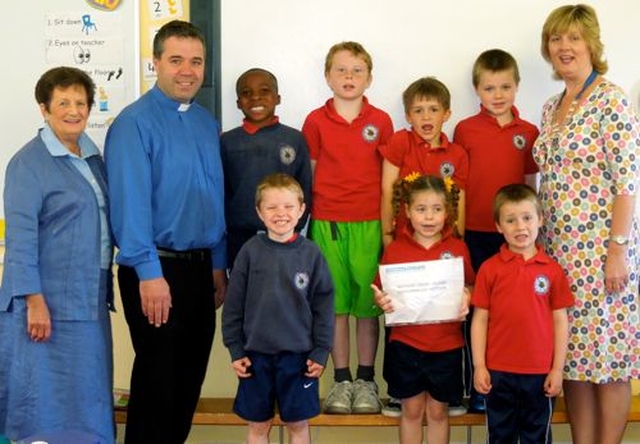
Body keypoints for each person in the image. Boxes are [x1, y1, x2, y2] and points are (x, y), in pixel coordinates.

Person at [104, 20, 226, 443]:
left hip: (200, 271)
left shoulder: (207, 124)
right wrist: (149, 273)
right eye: (176, 60)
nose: (187, 70)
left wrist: (219, 264)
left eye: (196, 61)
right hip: (154, 272)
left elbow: (214, 198)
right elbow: (130, 206)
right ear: (155, 63)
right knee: (157, 389)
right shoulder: (132, 124)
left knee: (186, 387)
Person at [534, 4, 640, 443]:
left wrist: (617, 250)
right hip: (559, 253)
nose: (564, 47)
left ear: (592, 44)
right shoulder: (549, 107)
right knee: (573, 359)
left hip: (602, 254)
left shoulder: (610, 100)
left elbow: (627, 183)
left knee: (610, 361)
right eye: (557, 39)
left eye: (573, 38)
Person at [0, 67, 115, 442]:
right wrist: (33, 300)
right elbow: (20, 238)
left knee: (89, 399)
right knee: (42, 406)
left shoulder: (94, 158)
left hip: (88, 296)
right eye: (63, 102)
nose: (73, 110)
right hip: (43, 303)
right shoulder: (27, 163)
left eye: (80, 102)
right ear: (44, 109)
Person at [302, 41, 394, 414]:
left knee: (368, 307)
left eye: (357, 71)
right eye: (341, 70)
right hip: (328, 224)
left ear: (369, 78)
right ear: (327, 77)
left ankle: (367, 380)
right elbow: (308, 172)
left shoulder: (382, 121)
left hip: (370, 224)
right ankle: (341, 381)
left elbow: (390, 179)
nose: (349, 77)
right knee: (336, 306)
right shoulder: (315, 120)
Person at [452, 48, 539, 414]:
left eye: (505, 86)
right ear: (477, 90)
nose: (498, 94)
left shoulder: (529, 132)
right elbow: (456, 185)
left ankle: (507, 386)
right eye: (490, 88)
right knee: (475, 311)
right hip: (474, 234)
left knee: (509, 312)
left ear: (517, 87)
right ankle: (478, 387)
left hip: (516, 239)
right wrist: (455, 233)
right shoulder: (465, 129)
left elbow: (532, 186)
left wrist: (532, 233)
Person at [222, 173, 334, 444]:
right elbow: (233, 306)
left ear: (302, 210)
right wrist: (235, 349)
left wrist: (320, 352)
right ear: (259, 212)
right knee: (258, 426)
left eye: (288, 207)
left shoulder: (312, 254)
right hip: (254, 358)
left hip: (299, 359)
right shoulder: (250, 252)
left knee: (298, 425)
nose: (280, 214)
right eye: (271, 207)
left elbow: (324, 307)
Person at [371, 174, 474, 444]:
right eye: (421, 209)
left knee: (439, 412)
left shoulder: (458, 248)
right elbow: (380, 293)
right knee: (412, 410)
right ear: (407, 211)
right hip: (406, 346)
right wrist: (381, 301)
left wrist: (467, 296)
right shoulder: (395, 250)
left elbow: (472, 288)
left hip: (447, 346)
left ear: (447, 212)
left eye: (437, 209)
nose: (429, 217)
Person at [471, 184, 573, 443]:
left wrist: (557, 369)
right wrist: (480, 365)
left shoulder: (552, 270)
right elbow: (480, 319)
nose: (520, 227)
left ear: (540, 219)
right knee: (499, 436)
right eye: (511, 220)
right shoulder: (489, 269)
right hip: (498, 373)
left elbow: (560, 321)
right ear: (498, 226)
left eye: (527, 218)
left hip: (539, 373)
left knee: (537, 437)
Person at [221, 68, 312, 268]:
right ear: (238, 103)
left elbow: (305, 186)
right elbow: (221, 191)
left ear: (277, 98)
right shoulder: (227, 141)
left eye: (264, 91)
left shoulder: (294, 139)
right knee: (246, 292)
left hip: (284, 233)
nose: (255, 98)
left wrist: (293, 226)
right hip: (239, 238)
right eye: (246, 93)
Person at [380, 76, 468, 248]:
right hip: (403, 240)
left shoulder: (458, 155)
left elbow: (459, 203)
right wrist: (387, 237)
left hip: (442, 242)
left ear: (446, 114)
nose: (426, 117)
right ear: (408, 116)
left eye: (434, 109)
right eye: (418, 111)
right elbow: (387, 192)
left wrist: (459, 243)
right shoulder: (400, 142)